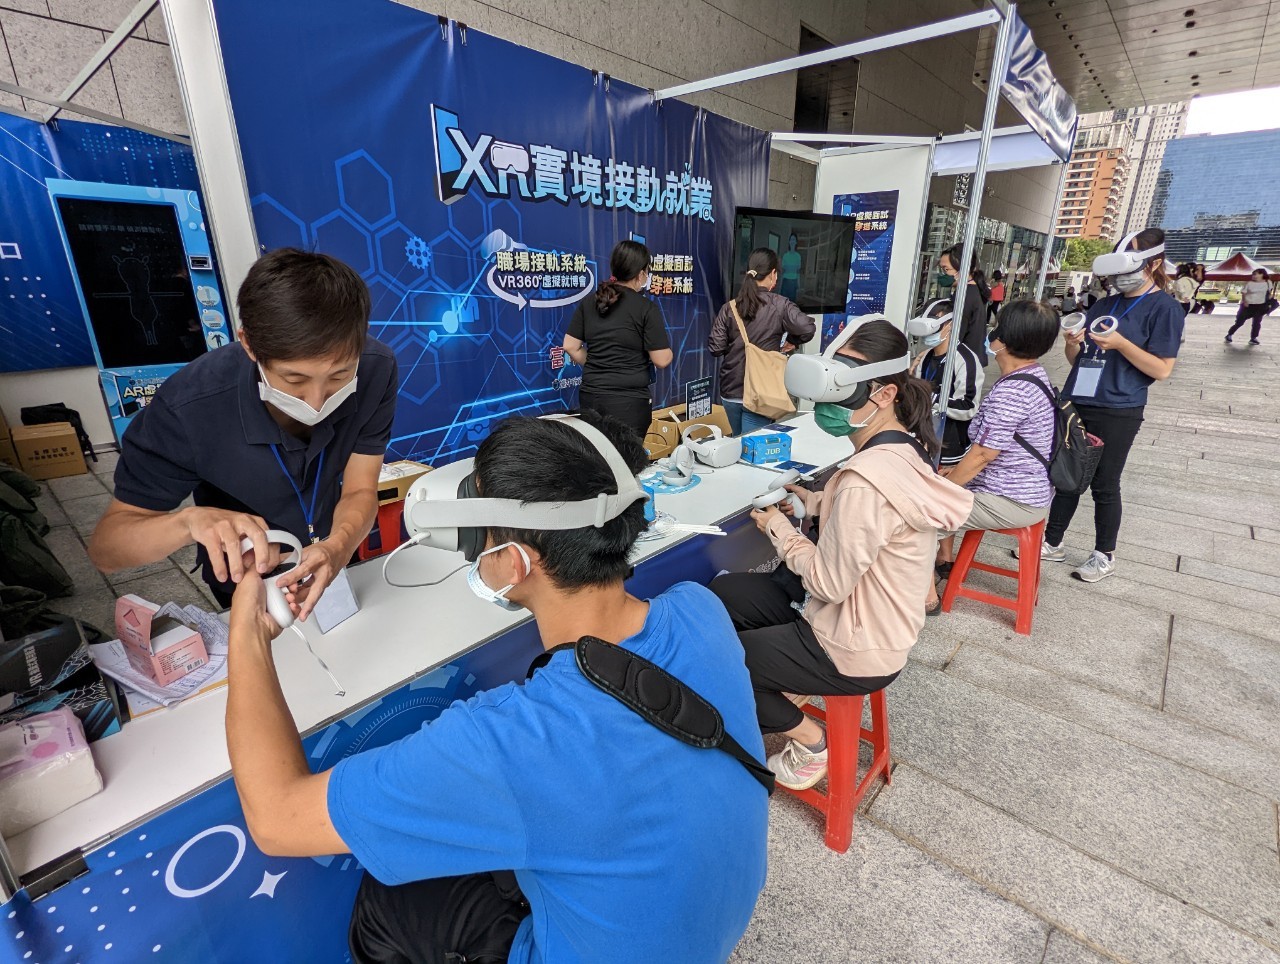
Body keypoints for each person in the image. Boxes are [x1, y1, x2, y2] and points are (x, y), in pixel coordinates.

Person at [224, 411, 769, 963]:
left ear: (513, 562)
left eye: (480, 537)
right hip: (710, 929)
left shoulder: (509, 742)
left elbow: (276, 819)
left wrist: (247, 634)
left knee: (388, 901)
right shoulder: (699, 610)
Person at [709, 320, 972, 789]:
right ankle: (769, 688)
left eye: (842, 390)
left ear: (885, 394)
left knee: (718, 664)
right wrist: (811, 502)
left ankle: (811, 743)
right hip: (857, 618)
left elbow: (828, 583)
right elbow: (870, 526)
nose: (827, 404)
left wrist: (779, 529)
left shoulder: (865, 482)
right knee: (723, 596)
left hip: (852, 646)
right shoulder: (899, 446)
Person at [88, 248, 398, 614]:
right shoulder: (188, 408)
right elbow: (107, 548)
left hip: (329, 554)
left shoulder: (376, 369)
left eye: (339, 376)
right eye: (294, 379)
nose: (317, 402)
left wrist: (338, 547)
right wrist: (187, 523)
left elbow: (361, 488)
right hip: (244, 575)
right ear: (248, 343)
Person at [1039, 229, 1184, 583]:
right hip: (1079, 400)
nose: (1120, 278)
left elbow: (1162, 369)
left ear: (1154, 265)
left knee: (1105, 483)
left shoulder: (1165, 309)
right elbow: (1079, 360)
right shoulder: (1104, 304)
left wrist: (1121, 344)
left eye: (1128, 270)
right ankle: (1052, 541)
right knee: (1067, 475)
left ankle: (1104, 554)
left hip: (1119, 407)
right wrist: (1072, 343)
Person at [927, 301, 1059, 608]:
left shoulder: (1012, 392)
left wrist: (944, 489)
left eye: (997, 328)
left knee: (921, 514)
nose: (992, 334)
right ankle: (938, 564)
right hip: (1026, 490)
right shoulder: (1033, 375)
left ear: (1005, 340)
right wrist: (953, 476)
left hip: (1013, 498)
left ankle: (925, 596)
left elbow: (983, 454)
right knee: (935, 491)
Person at [563, 240, 673, 438]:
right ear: (640, 274)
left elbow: (570, 346)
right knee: (626, 456)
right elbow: (661, 359)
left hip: (591, 397)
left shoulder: (590, 301)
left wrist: (597, 363)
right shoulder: (645, 308)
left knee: (595, 452)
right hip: (628, 403)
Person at [708, 247, 816, 435]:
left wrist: (738, 348)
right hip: (762, 393)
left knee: (738, 440)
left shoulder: (729, 308)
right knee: (752, 446)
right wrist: (792, 341)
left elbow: (715, 347)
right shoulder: (780, 305)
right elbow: (807, 328)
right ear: (773, 274)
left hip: (730, 391)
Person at [908, 299, 983, 469]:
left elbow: (968, 407)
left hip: (949, 448)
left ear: (951, 325)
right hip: (924, 439)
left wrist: (931, 398)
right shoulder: (926, 356)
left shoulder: (966, 360)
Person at [939, 243, 990, 366]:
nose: (943, 274)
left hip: (963, 363)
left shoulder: (964, 295)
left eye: (946, 269)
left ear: (962, 268)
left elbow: (956, 335)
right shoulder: (971, 290)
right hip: (969, 359)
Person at [1227, 268, 1272, 346]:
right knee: (1239, 322)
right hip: (1248, 305)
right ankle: (1229, 334)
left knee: (1257, 323)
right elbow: (1243, 293)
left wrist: (1269, 298)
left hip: (1260, 306)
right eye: (1253, 274)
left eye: (1255, 274)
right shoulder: (1249, 283)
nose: (1253, 276)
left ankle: (1253, 338)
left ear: (1262, 274)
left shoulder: (1268, 282)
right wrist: (1245, 301)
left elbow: (1269, 291)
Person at [779, 232, 802, 302]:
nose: (792, 241)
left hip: (793, 282)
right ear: (789, 242)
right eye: (791, 239)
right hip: (785, 282)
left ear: (796, 242)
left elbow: (798, 272)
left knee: (791, 303)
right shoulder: (785, 256)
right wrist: (780, 286)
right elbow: (783, 272)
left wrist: (799, 285)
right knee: (783, 302)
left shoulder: (798, 256)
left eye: (794, 239)